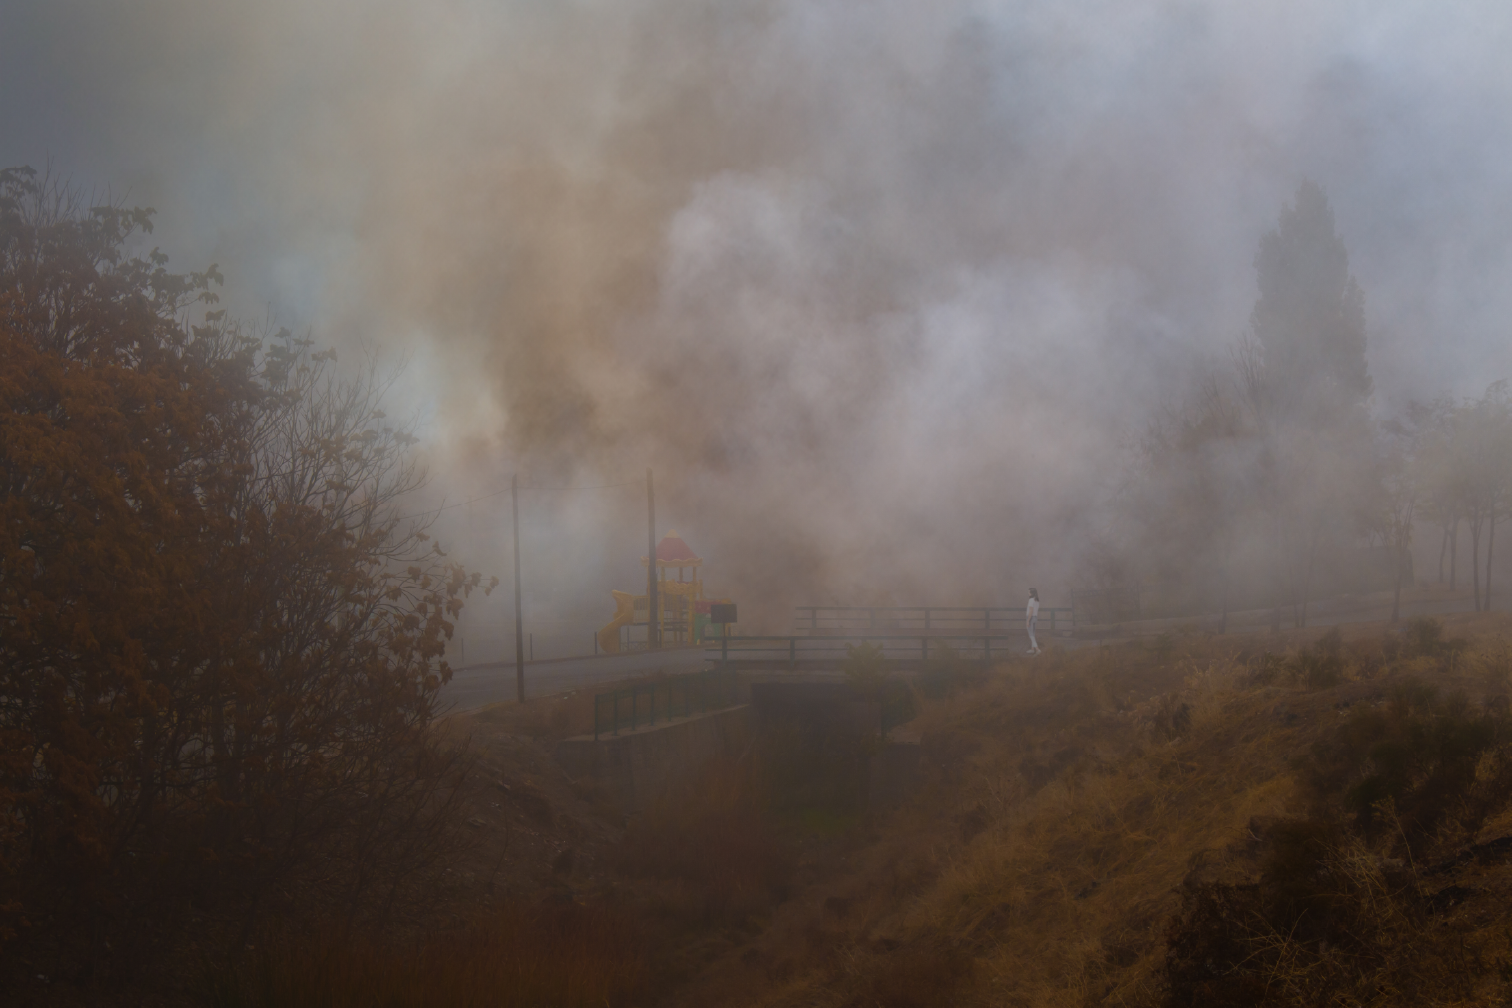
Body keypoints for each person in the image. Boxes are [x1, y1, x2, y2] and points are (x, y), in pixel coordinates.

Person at [1026, 588, 1041, 655]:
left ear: (1032, 593)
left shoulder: (1031, 600)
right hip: (1035, 618)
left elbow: (1031, 611)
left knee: (1031, 635)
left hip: (1031, 618)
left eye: (1029, 592)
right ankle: (1032, 649)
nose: (1028, 593)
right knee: (1033, 634)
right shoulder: (1037, 600)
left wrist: (1028, 620)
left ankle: (1037, 649)